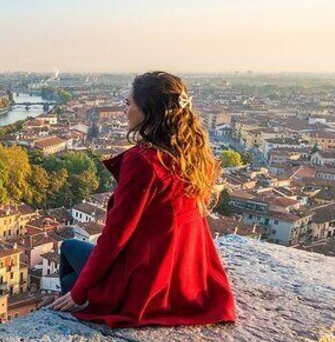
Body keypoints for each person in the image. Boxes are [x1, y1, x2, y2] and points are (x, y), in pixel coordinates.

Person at [51, 71, 236, 328]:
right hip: (186, 281)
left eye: (128, 104)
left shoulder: (144, 161)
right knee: (75, 281)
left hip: (147, 284)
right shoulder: (193, 155)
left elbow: (116, 234)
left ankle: (69, 307)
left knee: (70, 249)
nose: (124, 111)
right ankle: (72, 301)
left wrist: (79, 293)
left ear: (148, 111)